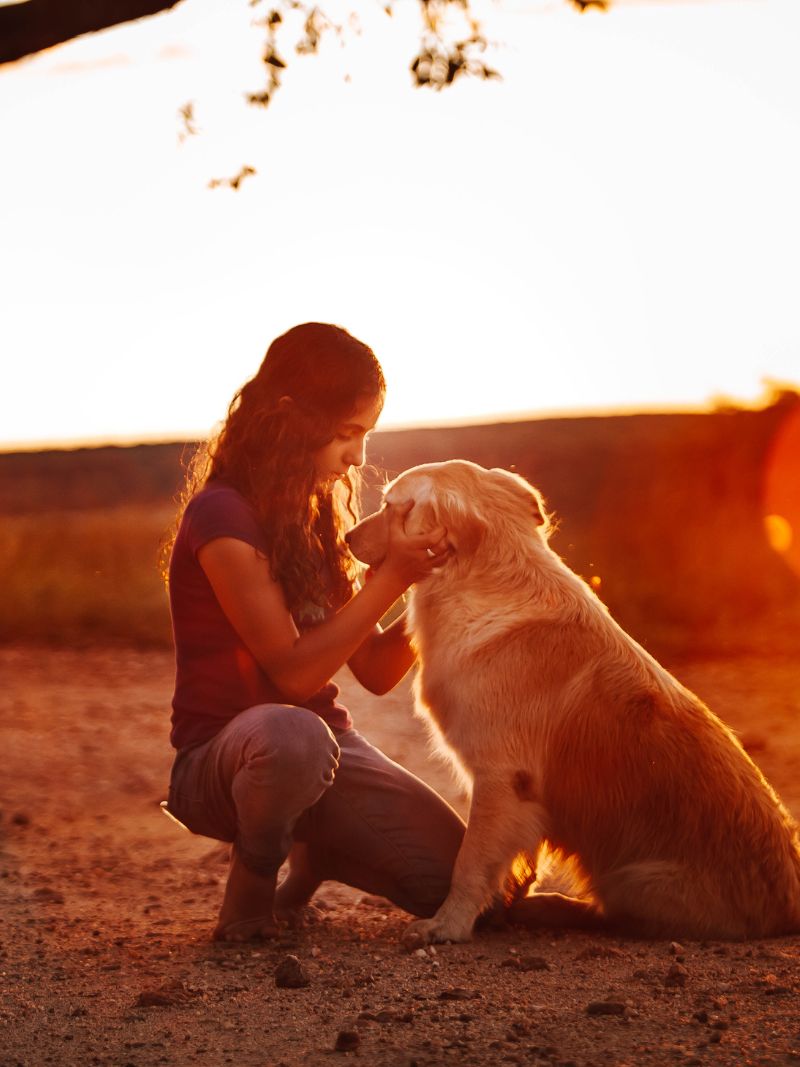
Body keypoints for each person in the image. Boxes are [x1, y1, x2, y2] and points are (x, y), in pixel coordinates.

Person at [163, 322, 464, 942]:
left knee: (457, 886)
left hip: (322, 756)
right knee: (292, 732)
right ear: (289, 419)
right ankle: (248, 898)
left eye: (366, 435)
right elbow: (295, 672)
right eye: (348, 433)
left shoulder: (313, 518)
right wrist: (394, 578)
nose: (358, 456)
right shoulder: (223, 516)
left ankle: (318, 853)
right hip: (226, 760)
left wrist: (438, 574)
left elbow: (377, 670)